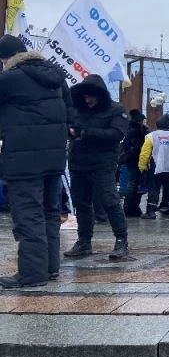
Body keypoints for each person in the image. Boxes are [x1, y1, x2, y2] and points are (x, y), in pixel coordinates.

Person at [0, 35, 70, 288]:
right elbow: (70, 113)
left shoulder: (10, 79)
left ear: (6, 58)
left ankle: (32, 274)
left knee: (28, 215)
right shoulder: (56, 77)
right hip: (54, 158)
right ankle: (50, 268)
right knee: (50, 213)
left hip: (23, 159)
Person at [64, 75, 130, 259]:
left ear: (100, 95)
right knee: (81, 204)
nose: (88, 100)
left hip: (102, 165)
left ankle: (121, 241)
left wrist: (86, 133)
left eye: (91, 96)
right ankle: (84, 241)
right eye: (85, 96)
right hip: (78, 164)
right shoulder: (78, 110)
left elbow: (116, 134)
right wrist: (70, 131)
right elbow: (70, 126)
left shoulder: (116, 110)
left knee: (110, 201)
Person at [138, 114, 169, 219]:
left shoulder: (152, 136)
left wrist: (142, 166)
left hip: (156, 166)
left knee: (154, 188)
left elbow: (145, 153)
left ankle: (150, 212)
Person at [120, 110, 149, 217]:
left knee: (135, 183)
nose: (144, 122)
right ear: (139, 121)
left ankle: (131, 207)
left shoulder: (130, 129)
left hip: (132, 160)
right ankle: (129, 207)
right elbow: (137, 147)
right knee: (134, 183)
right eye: (143, 120)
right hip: (136, 160)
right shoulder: (136, 131)